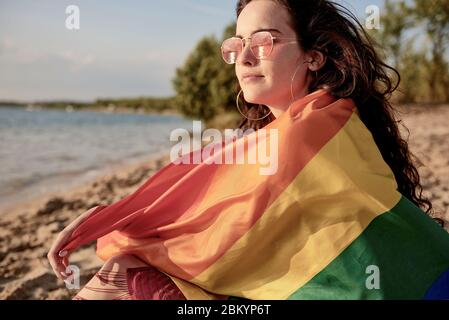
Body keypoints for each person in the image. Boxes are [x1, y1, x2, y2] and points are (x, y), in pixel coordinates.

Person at [48, 0, 449, 300]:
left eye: (263, 40)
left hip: (392, 289)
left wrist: (110, 223)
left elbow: (206, 231)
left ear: (313, 56)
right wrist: (110, 219)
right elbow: (210, 206)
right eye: (237, 43)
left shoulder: (307, 134)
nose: (243, 55)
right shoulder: (331, 119)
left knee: (122, 273)